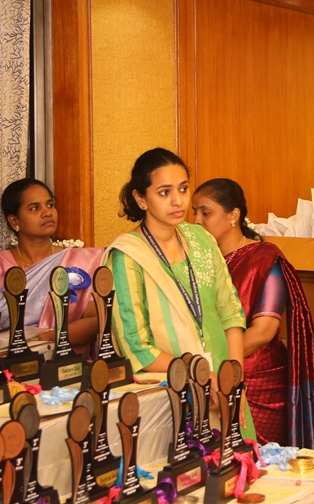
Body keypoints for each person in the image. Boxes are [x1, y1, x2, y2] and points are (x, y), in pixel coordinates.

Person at [106, 148, 254, 439]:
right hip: (176, 393)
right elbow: (136, 346)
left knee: (240, 463)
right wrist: (200, 374)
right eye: (164, 192)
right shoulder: (128, 257)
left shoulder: (201, 238)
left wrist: (234, 379)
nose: (178, 201)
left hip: (224, 387)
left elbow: (230, 311)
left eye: (183, 189)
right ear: (140, 199)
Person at [192, 178, 314, 450]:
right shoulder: (198, 263)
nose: (197, 221)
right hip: (209, 375)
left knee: (257, 461)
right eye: (194, 212)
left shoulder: (263, 258)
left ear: (233, 215)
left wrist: (217, 361)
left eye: (205, 213)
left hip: (257, 379)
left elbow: (264, 331)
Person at [0, 178, 102, 349]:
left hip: (68, 359)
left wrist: (46, 338)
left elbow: (96, 320)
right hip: (8, 358)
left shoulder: (81, 260)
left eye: (50, 205)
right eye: (34, 208)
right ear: (14, 221)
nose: (47, 213)